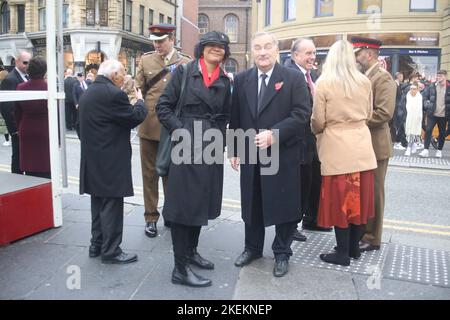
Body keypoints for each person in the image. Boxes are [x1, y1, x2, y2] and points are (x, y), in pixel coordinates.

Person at [229, 32, 311, 277]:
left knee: (284, 205)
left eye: (267, 47)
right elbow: (236, 116)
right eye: (257, 47)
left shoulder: (293, 78)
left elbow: (301, 114)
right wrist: (234, 149)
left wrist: (274, 134)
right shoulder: (242, 79)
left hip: (282, 153)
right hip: (251, 153)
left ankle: (282, 253)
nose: (262, 52)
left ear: (277, 50)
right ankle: (252, 248)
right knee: (252, 202)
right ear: (251, 52)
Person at [156, 31, 232, 287]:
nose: (216, 49)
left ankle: (191, 252)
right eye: (211, 45)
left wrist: (220, 137)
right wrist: (181, 132)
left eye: (221, 47)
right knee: (182, 206)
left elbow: (224, 116)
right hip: (185, 145)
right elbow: (163, 107)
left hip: (210, 145)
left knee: (201, 202)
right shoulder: (184, 71)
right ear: (201, 48)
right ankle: (180, 268)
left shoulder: (224, 79)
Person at [311, 40, 377, 266]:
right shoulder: (364, 81)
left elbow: (318, 120)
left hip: (336, 146)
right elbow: (368, 114)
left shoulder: (324, 83)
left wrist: (318, 131)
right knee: (358, 201)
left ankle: (341, 252)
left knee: (341, 202)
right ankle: (353, 249)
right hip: (361, 145)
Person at [78, 59, 148, 264]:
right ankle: (111, 251)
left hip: (93, 158)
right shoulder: (114, 94)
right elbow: (133, 117)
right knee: (112, 207)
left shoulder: (88, 92)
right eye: (123, 73)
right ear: (115, 75)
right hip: (111, 160)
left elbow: (79, 126)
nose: (125, 78)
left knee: (98, 204)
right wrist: (140, 101)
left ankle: (96, 245)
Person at [135, 24, 191, 238]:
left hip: (173, 128)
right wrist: (135, 106)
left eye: (161, 40)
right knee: (149, 175)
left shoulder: (185, 62)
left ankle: (171, 213)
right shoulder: (146, 60)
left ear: (171, 38)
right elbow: (136, 89)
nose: (157, 45)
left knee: (171, 174)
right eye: (154, 41)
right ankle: (151, 217)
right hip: (149, 126)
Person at [285, 37, 333, 243]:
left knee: (313, 181)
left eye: (314, 53)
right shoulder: (290, 74)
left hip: (311, 138)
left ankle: (311, 218)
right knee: (298, 184)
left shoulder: (308, 74)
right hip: (297, 139)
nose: (312, 57)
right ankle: (290, 225)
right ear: (295, 55)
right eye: (308, 53)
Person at [352, 36, 396, 252]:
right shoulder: (365, 76)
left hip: (376, 146)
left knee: (375, 193)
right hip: (364, 144)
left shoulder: (383, 78)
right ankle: (363, 232)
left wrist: (356, 121)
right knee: (364, 192)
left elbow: (384, 113)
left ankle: (372, 238)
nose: (356, 57)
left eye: (358, 53)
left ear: (369, 54)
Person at [14, 57, 51, 179]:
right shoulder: (49, 88)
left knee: (30, 165)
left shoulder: (20, 87)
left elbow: (17, 112)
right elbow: (56, 114)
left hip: (27, 127)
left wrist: (19, 127)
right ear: (44, 71)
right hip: (46, 128)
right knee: (46, 165)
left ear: (29, 70)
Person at [0, 50, 32, 174]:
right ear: (17, 62)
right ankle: (17, 178)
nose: (28, 65)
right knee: (18, 155)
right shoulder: (10, 79)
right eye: (25, 62)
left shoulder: (27, 76)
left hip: (26, 125)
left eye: (30, 63)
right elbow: (6, 107)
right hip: (18, 127)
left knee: (26, 156)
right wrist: (14, 129)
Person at [419, 70, 450, 158]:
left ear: (445, 76)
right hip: (432, 114)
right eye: (437, 76)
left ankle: (439, 150)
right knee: (428, 130)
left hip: (444, 115)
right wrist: (427, 105)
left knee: (442, 133)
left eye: (440, 76)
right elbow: (424, 96)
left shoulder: (449, 87)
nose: (438, 77)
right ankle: (426, 150)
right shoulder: (432, 86)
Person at [404, 83, 423, 156]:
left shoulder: (419, 96)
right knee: (409, 131)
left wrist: (418, 117)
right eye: (411, 89)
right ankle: (413, 144)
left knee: (415, 131)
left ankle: (409, 147)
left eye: (414, 89)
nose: (412, 90)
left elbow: (419, 108)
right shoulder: (408, 95)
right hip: (409, 116)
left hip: (417, 116)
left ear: (417, 89)